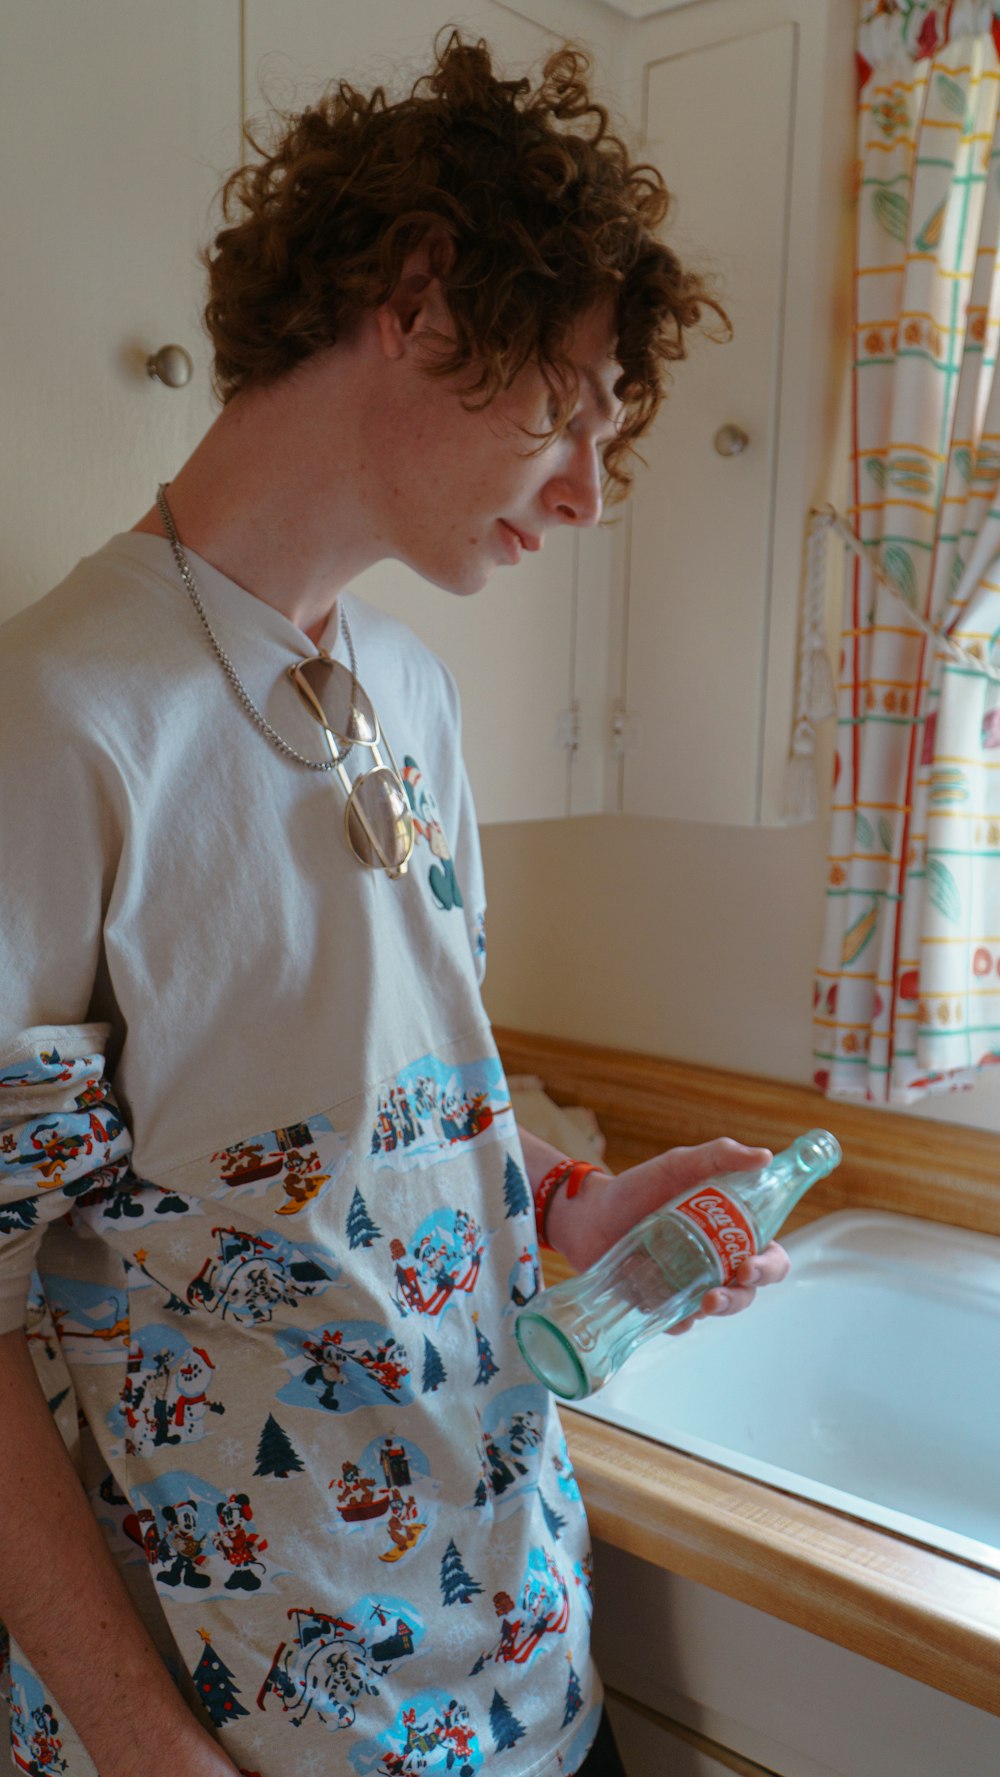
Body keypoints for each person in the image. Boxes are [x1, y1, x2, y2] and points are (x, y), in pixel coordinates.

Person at [0, 33, 790, 1777]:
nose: (591, 483)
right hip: (262, 1725)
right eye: (571, 401)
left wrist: (569, 1210)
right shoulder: (62, 722)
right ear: (420, 300)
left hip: (526, 1658)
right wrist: (146, 1746)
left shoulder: (412, 694)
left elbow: (387, 1127)